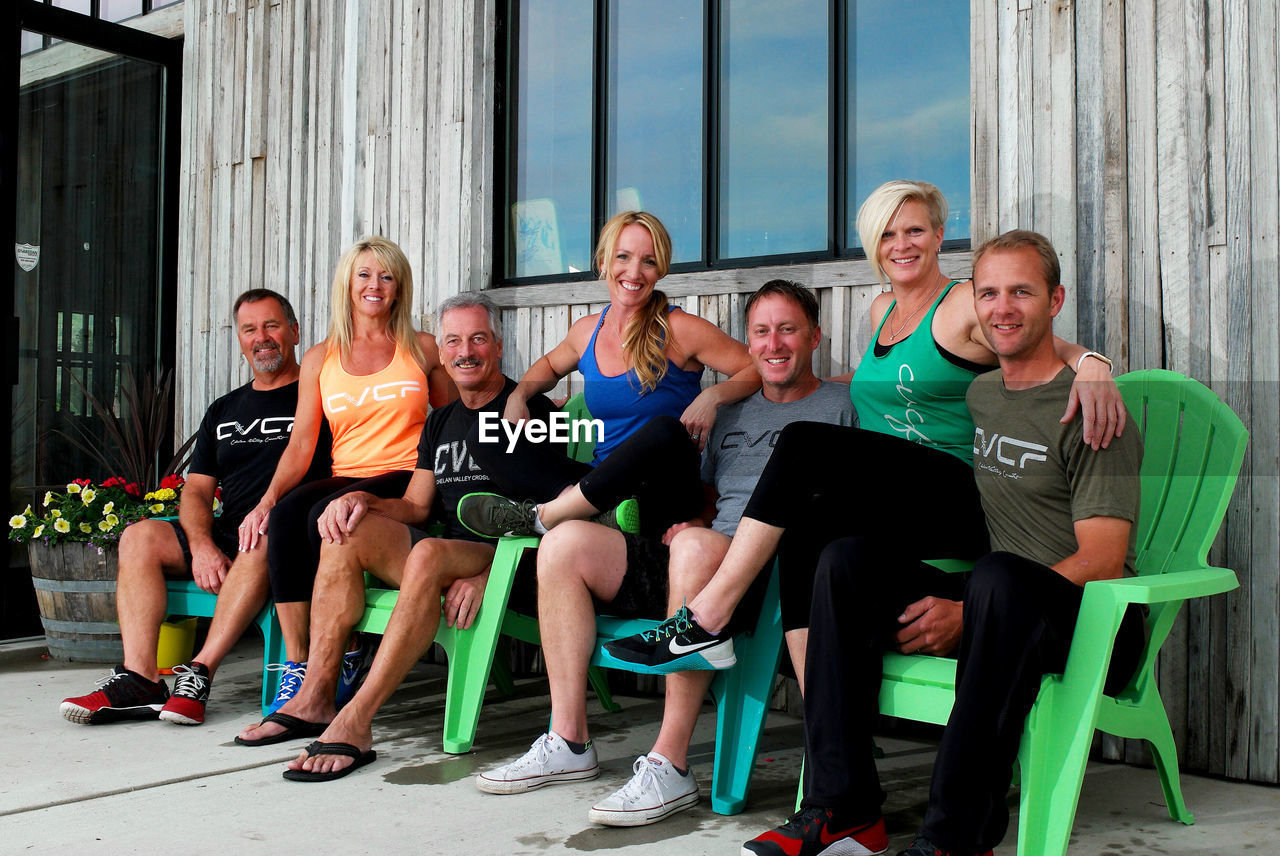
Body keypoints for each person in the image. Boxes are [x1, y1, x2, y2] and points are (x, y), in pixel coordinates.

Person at [606, 180, 1125, 678]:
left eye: (915, 231)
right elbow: (874, 382)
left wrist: (1093, 362)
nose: (901, 244)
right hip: (890, 497)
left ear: (939, 236)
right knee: (805, 521)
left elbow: (1035, 340)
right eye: (887, 234)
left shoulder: (965, 300)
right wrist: (748, 386)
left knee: (804, 442)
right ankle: (821, 712)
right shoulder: (882, 310)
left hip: (954, 491)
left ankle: (709, 617)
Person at [745, 230, 1147, 856]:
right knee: (844, 560)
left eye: (1022, 291)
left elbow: (1103, 559)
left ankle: (954, 840)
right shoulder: (982, 394)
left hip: (1093, 619)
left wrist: (969, 614)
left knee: (998, 579)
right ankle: (844, 807)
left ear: (1055, 300)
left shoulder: (1093, 409)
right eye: (989, 293)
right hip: (994, 593)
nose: (1003, 307)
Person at [475, 281, 855, 827]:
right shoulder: (731, 414)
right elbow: (704, 497)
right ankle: (568, 742)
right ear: (748, 344)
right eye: (762, 332)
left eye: (788, 329)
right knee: (562, 546)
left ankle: (670, 763)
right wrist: (693, 522)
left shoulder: (842, 405)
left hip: (766, 577)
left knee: (696, 546)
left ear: (815, 336)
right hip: (698, 553)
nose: (774, 344)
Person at [232, 293, 562, 763]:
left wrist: (491, 576)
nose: (465, 351)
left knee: (428, 554)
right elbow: (415, 505)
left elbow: (556, 514)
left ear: (498, 346)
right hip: (448, 551)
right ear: (441, 353)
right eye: (453, 341)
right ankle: (316, 696)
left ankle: (356, 720)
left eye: (477, 339)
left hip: (503, 561)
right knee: (344, 529)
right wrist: (362, 499)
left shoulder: (530, 413)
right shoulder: (442, 421)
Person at [60, 289, 330, 726]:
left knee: (264, 530)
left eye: (272, 325)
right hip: (227, 533)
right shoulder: (224, 410)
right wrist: (202, 545)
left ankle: (199, 671)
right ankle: (141, 679)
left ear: (295, 332)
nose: (261, 338)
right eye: (249, 329)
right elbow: (198, 492)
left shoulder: (318, 397)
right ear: (240, 340)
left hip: (285, 534)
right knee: (139, 536)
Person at [235, 237, 452, 715]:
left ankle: (348, 651)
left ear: (399, 288)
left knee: (321, 511)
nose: (374, 285)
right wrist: (267, 500)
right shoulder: (320, 357)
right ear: (347, 285)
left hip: (405, 477)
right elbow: (301, 443)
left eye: (386, 276)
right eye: (364, 275)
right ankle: (300, 663)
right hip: (348, 475)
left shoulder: (422, 348)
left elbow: (454, 420)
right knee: (290, 515)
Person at [458, 210, 757, 541]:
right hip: (604, 488)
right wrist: (519, 396)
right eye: (623, 257)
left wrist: (712, 396)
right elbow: (550, 365)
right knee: (484, 434)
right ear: (603, 261)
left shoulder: (680, 329)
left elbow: (757, 366)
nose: (634, 272)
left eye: (648, 261)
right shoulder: (587, 332)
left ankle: (548, 516)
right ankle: (594, 515)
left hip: (662, 492)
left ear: (661, 270)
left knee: (665, 430)